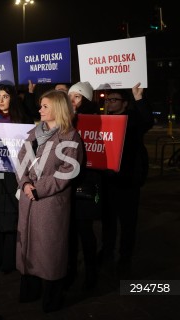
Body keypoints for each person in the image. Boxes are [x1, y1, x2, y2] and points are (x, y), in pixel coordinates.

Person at [16, 89, 83, 313]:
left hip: (49, 205)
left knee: (49, 251)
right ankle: (30, 290)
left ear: (58, 109)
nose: (40, 109)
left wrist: (38, 189)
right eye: (40, 106)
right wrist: (25, 183)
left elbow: (67, 172)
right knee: (28, 246)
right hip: (28, 201)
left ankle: (52, 298)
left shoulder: (70, 136)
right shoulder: (34, 133)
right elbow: (21, 160)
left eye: (45, 106)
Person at [98, 82, 153, 273]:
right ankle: (106, 254)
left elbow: (147, 121)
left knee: (128, 223)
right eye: (108, 99)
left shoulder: (133, 120)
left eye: (115, 100)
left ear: (124, 103)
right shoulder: (102, 120)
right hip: (107, 180)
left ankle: (125, 258)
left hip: (128, 181)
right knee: (108, 222)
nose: (110, 103)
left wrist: (139, 97)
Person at [0, 84, 32, 273]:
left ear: (13, 99)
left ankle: (9, 261)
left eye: (6, 96)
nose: (1, 100)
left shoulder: (23, 122)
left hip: (14, 176)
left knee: (11, 219)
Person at [66, 81, 102, 291]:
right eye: (70, 96)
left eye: (77, 97)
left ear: (86, 100)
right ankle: (71, 271)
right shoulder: (65, 120)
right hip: (67, 183)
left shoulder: (96, 121)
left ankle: (91, 273)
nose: (72, 100)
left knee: (85, 231)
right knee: (69, 233)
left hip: (87, 183)